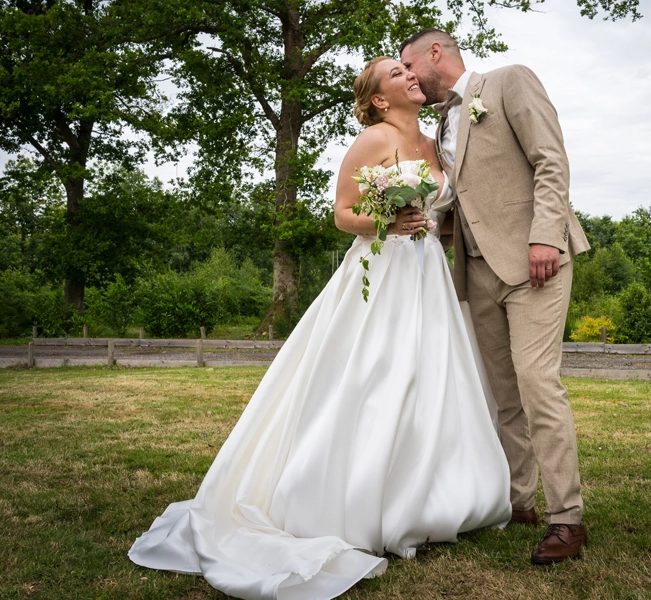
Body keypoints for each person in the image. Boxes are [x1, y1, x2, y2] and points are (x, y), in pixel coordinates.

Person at [127, 56, 512, 600]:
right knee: (379, 379)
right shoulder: (372, 141)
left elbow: (446, 210)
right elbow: (342, 213)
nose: (409, 75)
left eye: (408, 69)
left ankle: (438, 494)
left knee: (437, 380)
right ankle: (357, 499)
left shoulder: (436, 141)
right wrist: (388, 220)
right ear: (379, 99)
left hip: (430, 275)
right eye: (396, 73)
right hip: (382, 275)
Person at [400, 29, 592, 563]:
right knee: (502, 394)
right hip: (474, 270)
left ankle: (567, 519)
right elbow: (460, 197)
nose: (408, 76)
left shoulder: (509, 82)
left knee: (537, 382)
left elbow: (551, 160)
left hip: (535, 262)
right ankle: (519, 500)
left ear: (434, 53)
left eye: (408, 65)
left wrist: (545, 236)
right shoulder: (439, 122)